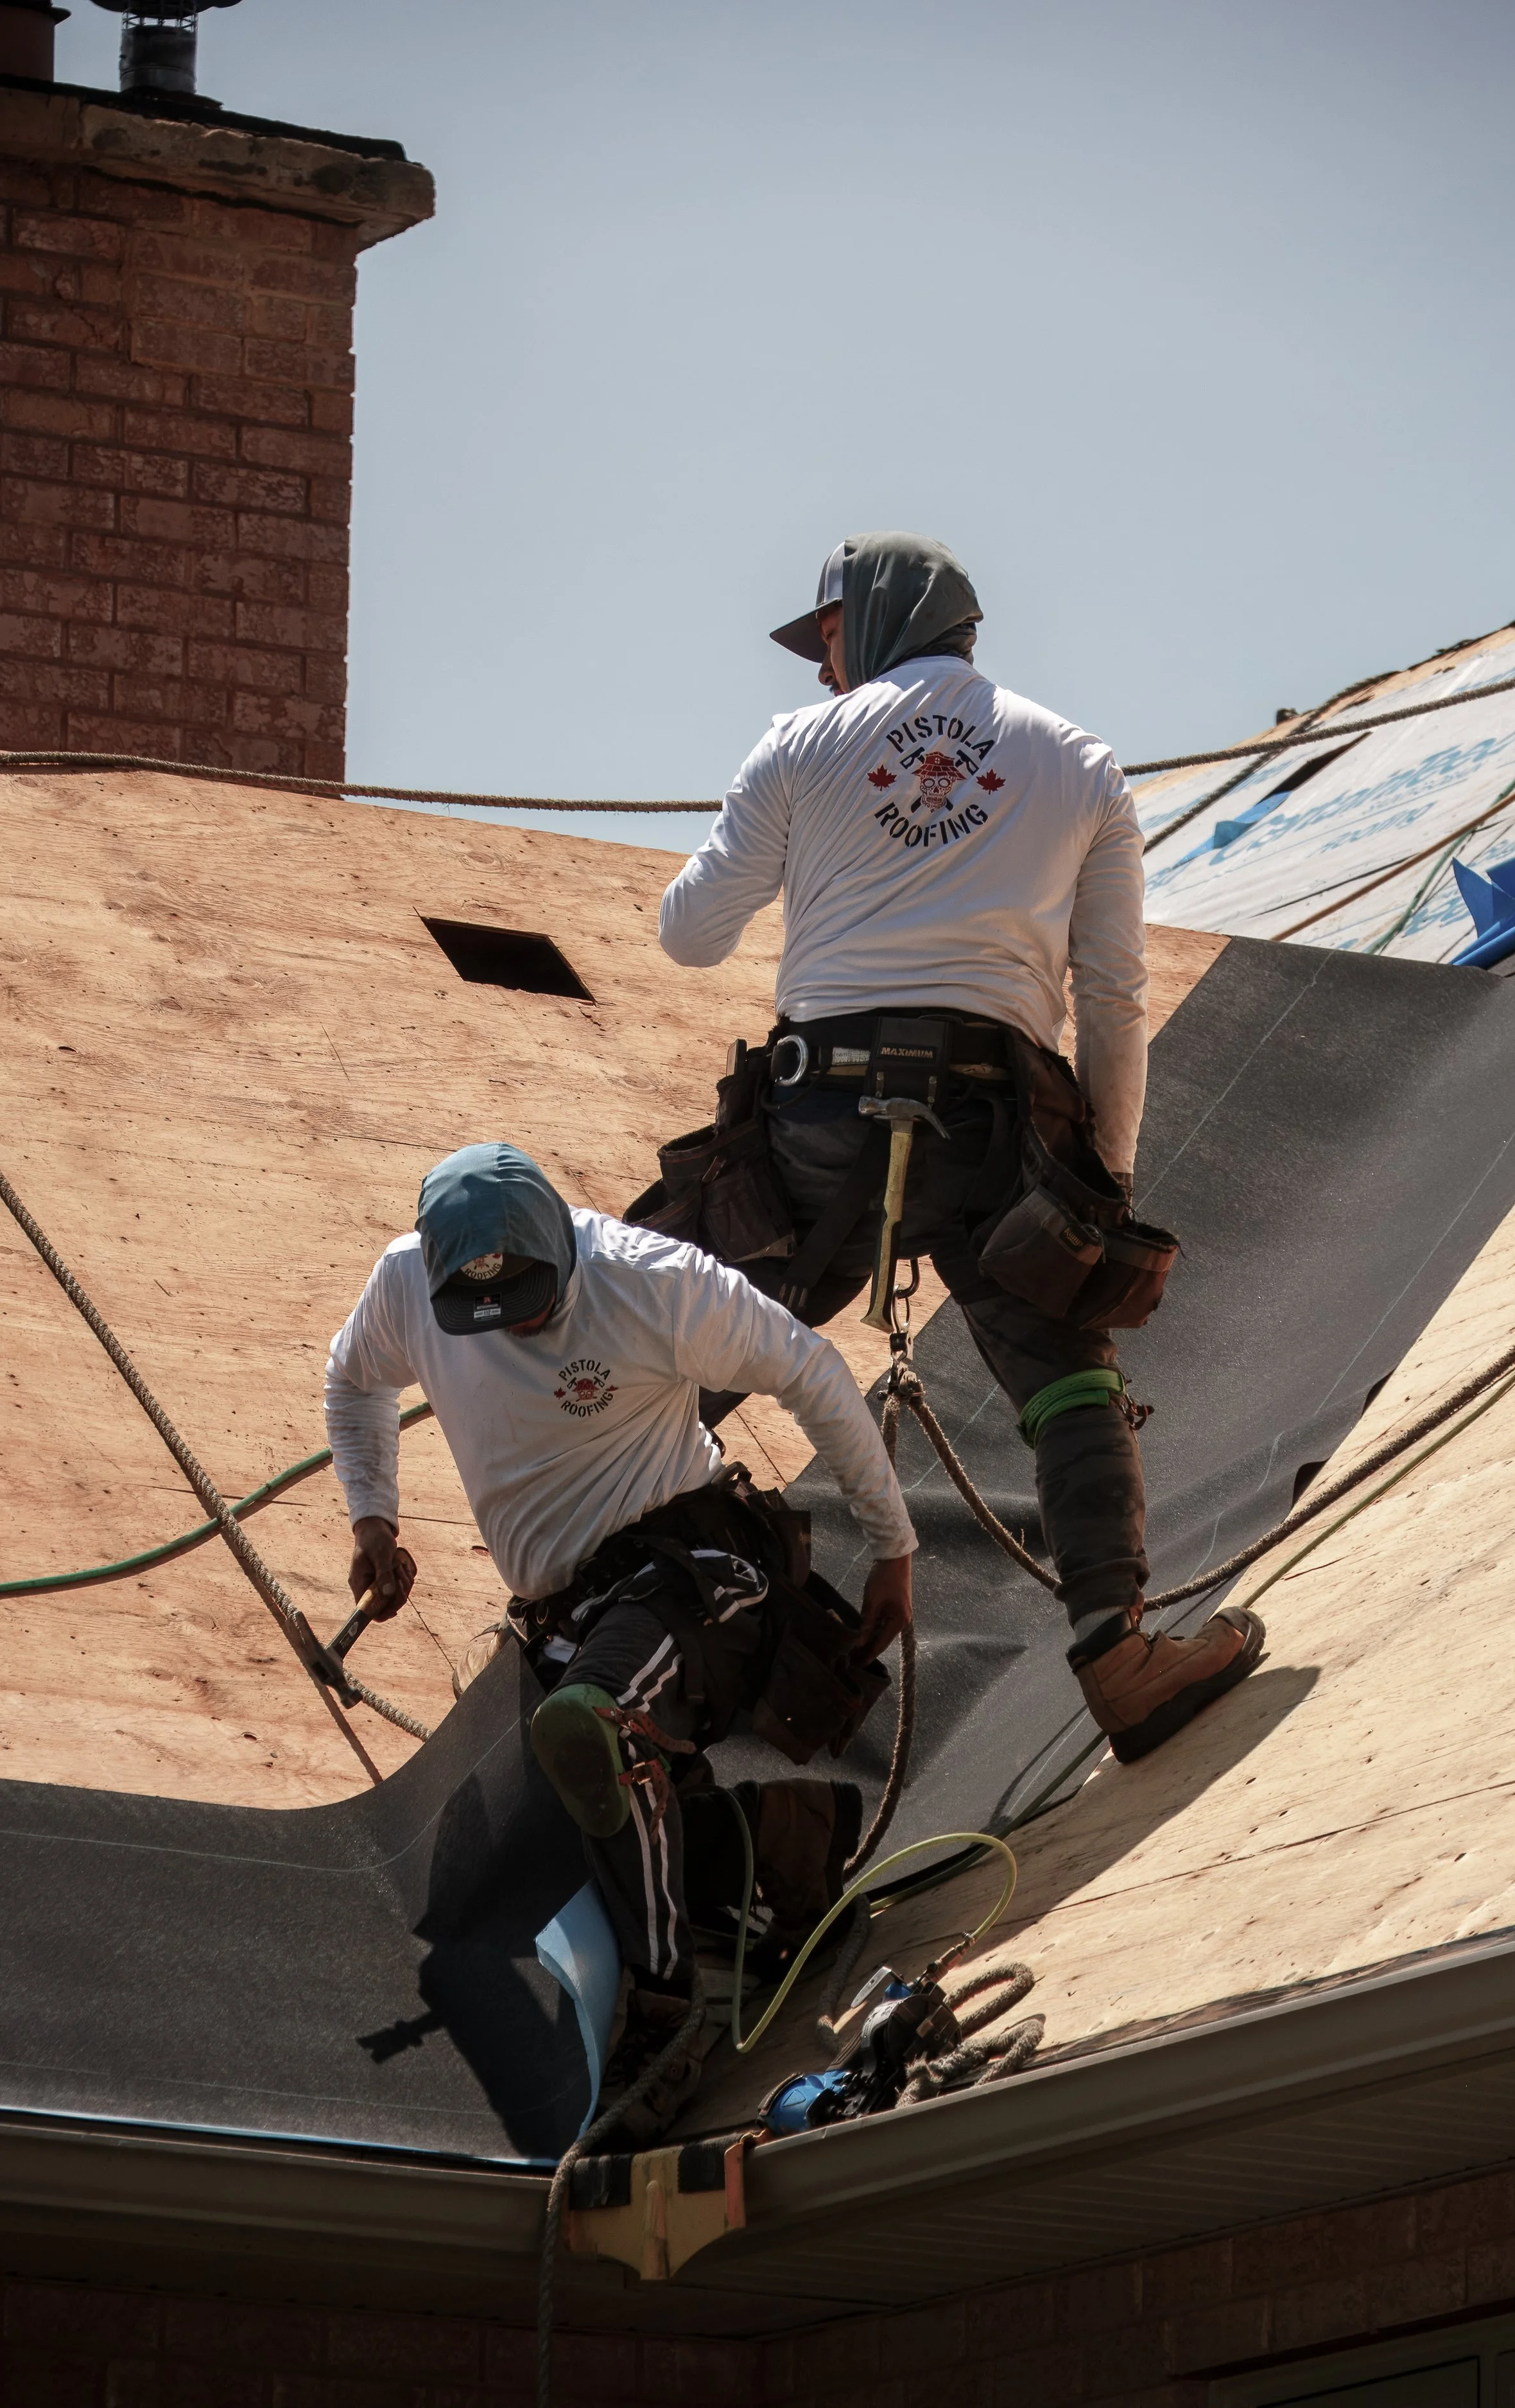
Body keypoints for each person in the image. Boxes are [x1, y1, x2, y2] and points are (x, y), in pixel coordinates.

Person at [655, 530, 1263, 1764]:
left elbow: (689, 938)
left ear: (869, 620)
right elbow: (1114, 996)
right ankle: (1121, 1650)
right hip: (1001, 1126)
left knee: (673, 1348)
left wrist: (802, 834)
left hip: (816, 1123)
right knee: (1066, 1360)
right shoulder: (1079, 761)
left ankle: (614, 1634)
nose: (825, 669)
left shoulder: (795, 745)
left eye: (826, 638)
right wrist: (1105, 1179)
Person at [324, 1140, 915, 2140]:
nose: (517, 1322)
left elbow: (810, 1367)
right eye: (490, 1309)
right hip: (571, 1612)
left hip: (698, 1565)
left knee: (592, 1728)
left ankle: (665, 2004)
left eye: (534, 1300)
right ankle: (789, 1850)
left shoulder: (651, 1283)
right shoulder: (405, 1284)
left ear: (562, 1243)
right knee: (573, 1823)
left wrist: (894, 1546)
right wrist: (373, 1517)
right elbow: (353, 1385)